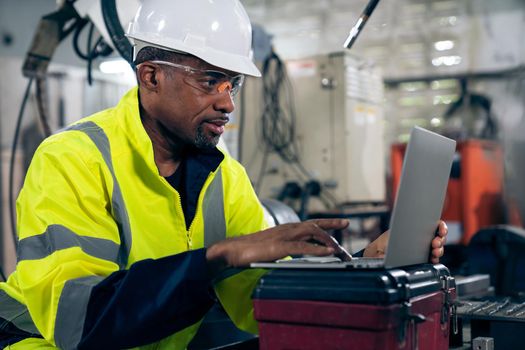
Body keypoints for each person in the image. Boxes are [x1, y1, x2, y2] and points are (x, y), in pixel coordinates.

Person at [0, 0, 447, 349]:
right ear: (151, 77)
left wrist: (365, 265)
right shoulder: (72, 158)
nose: (227, 102)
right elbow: (78, 321)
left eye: (231, 84)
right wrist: (220, 255)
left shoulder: (223, 175)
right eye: (210, 79)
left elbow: (257, 299)